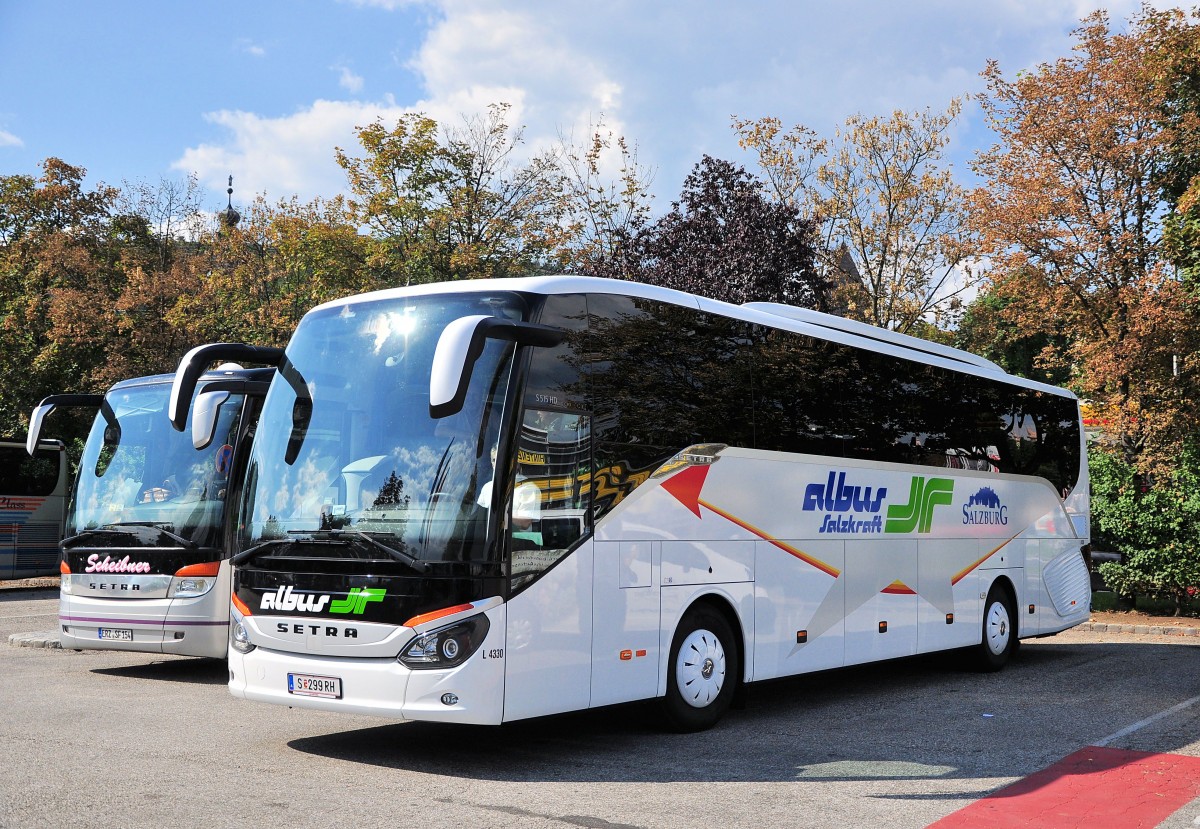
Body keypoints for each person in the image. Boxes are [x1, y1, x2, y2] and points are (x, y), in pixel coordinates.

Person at [477, 444, 542, 532]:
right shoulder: (487, 487)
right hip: (488, 540)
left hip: (514, 542)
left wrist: (499, 517)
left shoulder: (528, 488)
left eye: (501, 460)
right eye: (494, 460)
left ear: (515, 462)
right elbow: (479, 517)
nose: (496, 464)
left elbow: (525, 523)